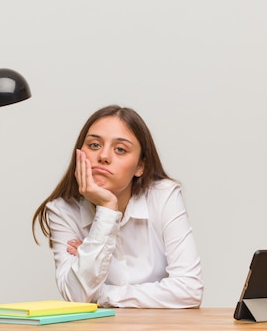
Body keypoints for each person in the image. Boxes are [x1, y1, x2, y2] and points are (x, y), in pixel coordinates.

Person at [32, 105, 203, 308]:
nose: (103, 156)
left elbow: (189, 290)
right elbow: (77, 296)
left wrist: (102, 294)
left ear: (141, 166)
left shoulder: (164, 196)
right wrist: (107, 209)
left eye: (120, 149)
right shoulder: (62, 210)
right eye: (94, 145)